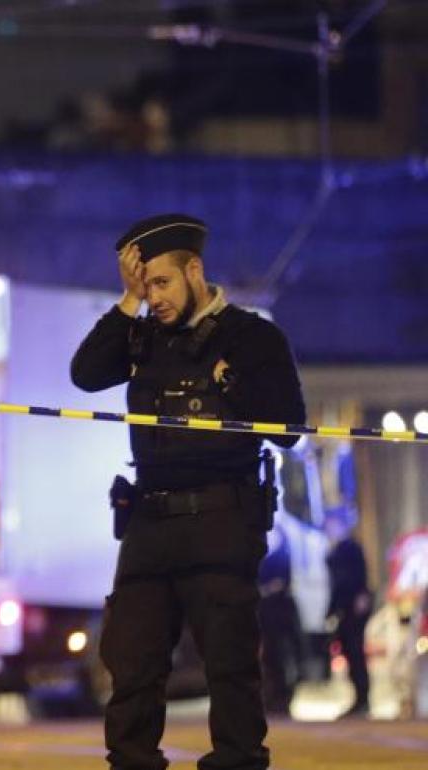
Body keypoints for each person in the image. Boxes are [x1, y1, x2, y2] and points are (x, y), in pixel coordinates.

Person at [71, 213, 307, 770]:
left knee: (230, 669)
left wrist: (231, 382)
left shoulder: (252, 337)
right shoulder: (142, 337)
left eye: (161, 283)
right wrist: (126, 302)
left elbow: (289, 429)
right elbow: (85, 372)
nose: (155, 298)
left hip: (221, 519)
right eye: (143, 285)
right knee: (132, 667)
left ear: (194, 270)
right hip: (149, 523)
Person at [324, 506, 372, 719]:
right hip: (344, 608)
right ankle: (359, 697)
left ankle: (363, 699)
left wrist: (361, 596)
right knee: (348, 651)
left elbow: (359, 576)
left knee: (355, 650)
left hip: (354, 607)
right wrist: (331, 610)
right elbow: (335, 585)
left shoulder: (352, 548)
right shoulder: (334, 552)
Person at [257, 517, 303, 715]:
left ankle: (283, 698)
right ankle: (274, 698)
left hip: (280, 617)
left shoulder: (282, 557)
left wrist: (264, 591)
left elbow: (279, 584)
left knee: (282, 658)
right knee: (270, 659)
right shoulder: (263, 558)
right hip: (266, 617)